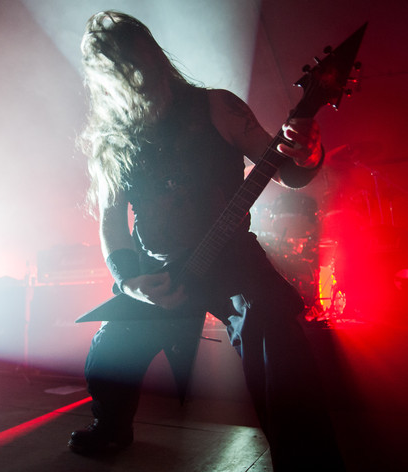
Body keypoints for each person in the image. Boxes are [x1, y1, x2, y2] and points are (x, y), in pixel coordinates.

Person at [69, 11, 344, 471]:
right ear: (106, 80)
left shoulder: (216, 106)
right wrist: (129, 281)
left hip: (232, 256)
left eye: (144, 63)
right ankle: (111, 427)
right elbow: (111, 223)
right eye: (126, 72)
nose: (141, 78)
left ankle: (308, 461)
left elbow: (289, 171)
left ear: (156, 55)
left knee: (274, 334)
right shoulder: (111, 141)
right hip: (157, 269)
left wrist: (308, 149)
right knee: (108, 352)